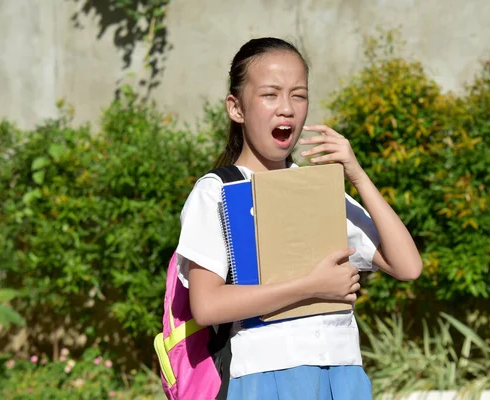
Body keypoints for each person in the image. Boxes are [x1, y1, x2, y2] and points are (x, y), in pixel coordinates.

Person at [175, 37, 422, 399]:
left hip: (342, 372)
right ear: (236, 108)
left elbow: (408, 266)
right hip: (263, 376)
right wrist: (312, 287)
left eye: (299, 95)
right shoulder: (216, 192)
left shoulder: (317, 189)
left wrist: (356, 174)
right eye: (270, 95)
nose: (287, 109)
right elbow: (208, 305)